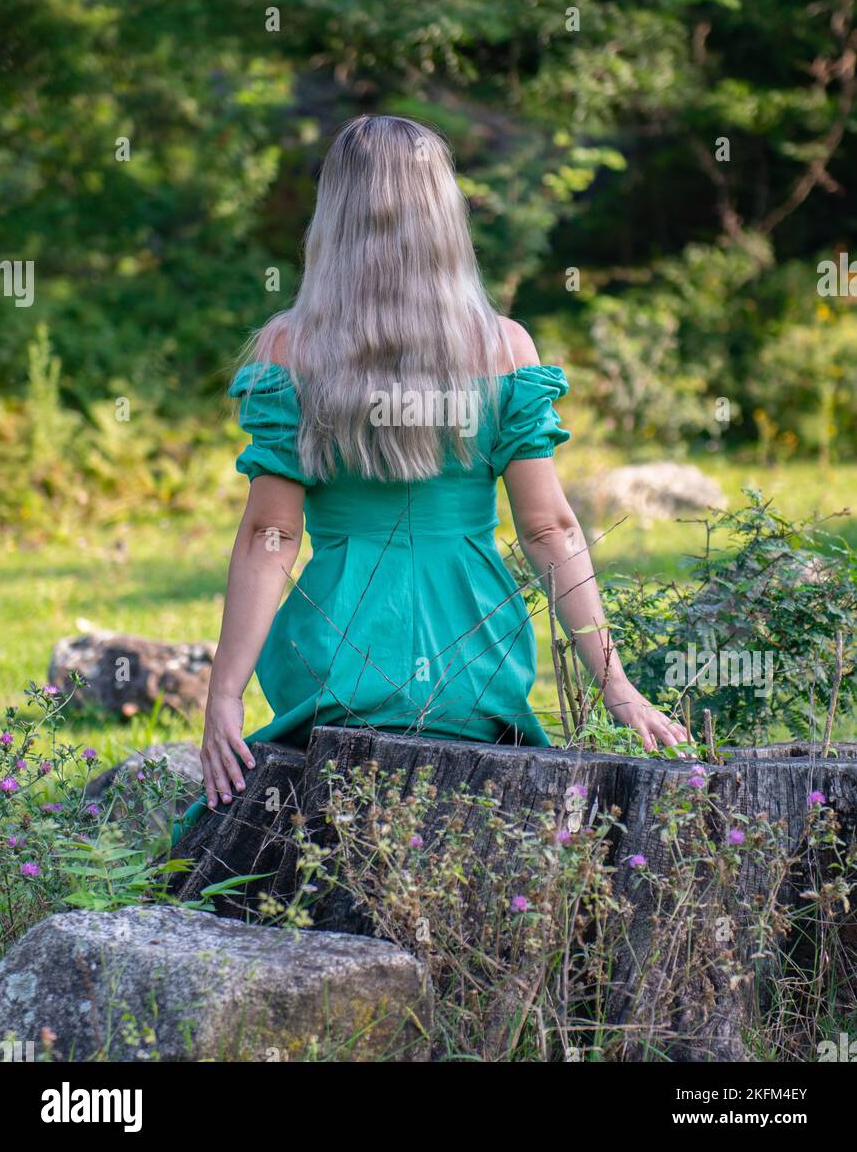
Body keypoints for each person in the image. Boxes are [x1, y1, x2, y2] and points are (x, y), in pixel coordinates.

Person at [181, 114, 688, 832]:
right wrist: (617, 685)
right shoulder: (505, 346)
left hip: (337, 665)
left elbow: (271, 533)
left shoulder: (290, 348)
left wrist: (225, 694)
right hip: (473, 660)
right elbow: (548, 527)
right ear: (443, 213)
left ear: (335, 216)